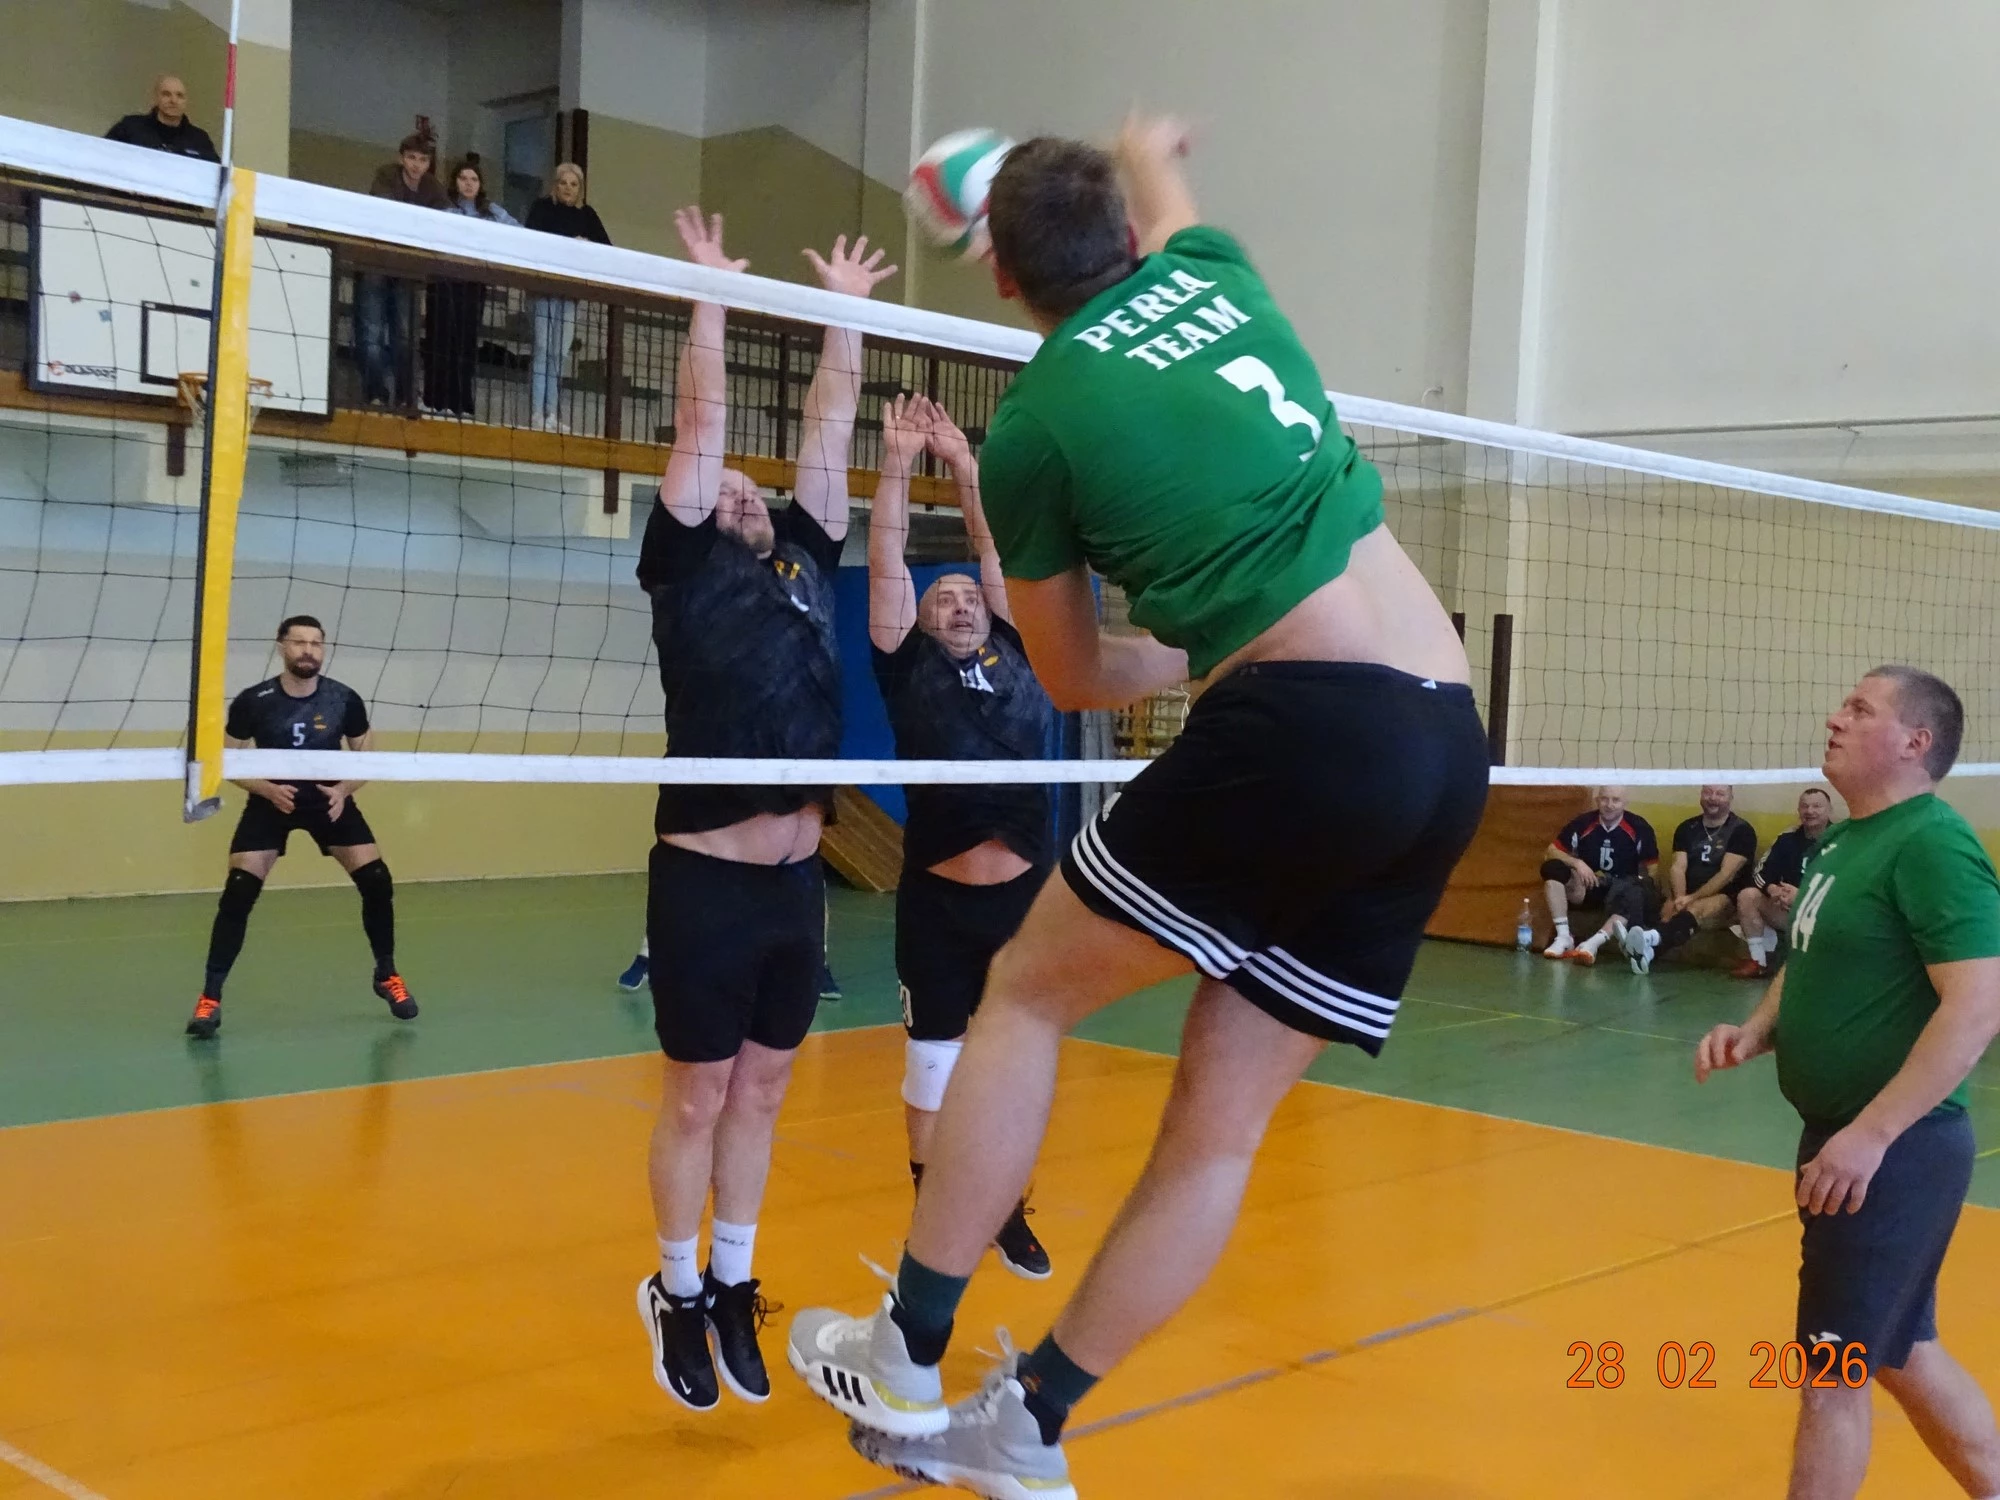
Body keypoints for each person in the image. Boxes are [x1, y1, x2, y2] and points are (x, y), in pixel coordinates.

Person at [787, 117, 1488, 1499]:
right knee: (1217, 1129)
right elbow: (1166, 192)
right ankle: (1029, 1427)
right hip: (1446, 743)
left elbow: (1067, 677)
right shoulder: (1213, 270)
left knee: (1023, 995)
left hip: (1305, 729)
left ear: (999, 275)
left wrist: (1195, 648)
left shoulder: (1035, 428)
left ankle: (906, 1352)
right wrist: (1142, 142)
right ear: (1126, 231)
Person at [633, 207, 895, 1413]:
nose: (741, 490)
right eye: (726, 487)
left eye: (752, 489)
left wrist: (843, 314)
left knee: (765, 1089)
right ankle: (675, 1289)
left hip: (795, 879)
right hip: (705, 878)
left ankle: (735, 1281)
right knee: (696, 1094)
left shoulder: (803, 560)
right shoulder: (682, 565)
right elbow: (703, 423)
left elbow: (828, 429)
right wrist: (712, 293)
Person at [1695, 667, 2000, 1500]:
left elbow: (1979, 1004)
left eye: (1861, 709)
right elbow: (1807, 958)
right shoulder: (1842, 841)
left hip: (1891, 1152)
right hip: (1849, 1143)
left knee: (1832, 1376)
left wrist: (1870, 1134)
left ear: (1915, 742)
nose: (1835, 718)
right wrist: (1757, 1030)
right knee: (1901, 1353)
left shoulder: (1932, 844)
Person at [870, 392, 1056, 1280]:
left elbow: (995, 553)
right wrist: (899, 465)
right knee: (932, 1069)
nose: (957, 603)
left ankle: (1007, 1208)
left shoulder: (1020, 649)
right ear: (920, 618)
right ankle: (933, 1208)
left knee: (1013, 1067)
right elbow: (885, 557)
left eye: (967, 597)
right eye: (940, 598)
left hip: (1025, 900)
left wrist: (967, 469)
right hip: (937, 904)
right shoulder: (904, 666)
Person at [184, 616, 417, 1038]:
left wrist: (344, 789)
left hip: (327, 800)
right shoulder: (254, 700)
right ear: (281, 647)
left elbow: (367, 756)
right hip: (271, 800)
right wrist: (266, 789)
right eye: (299, 642)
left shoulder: (344, 699)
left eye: (316, 643)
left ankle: (386, 974)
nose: (308, 650)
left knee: (377, 880)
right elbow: (225, 760)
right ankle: (210, 999)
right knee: (239, 890)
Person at [1622, 784, 1757, 974]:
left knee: (1696, 909)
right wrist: (1680, 898)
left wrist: (1691, 899)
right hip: (1688, 893)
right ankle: (1648, 953)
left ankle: (1647, 940)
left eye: (1720, 794)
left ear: (1730, 798)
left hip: (1726, 897)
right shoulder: (1687, 827)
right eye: (1708, 792)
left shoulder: (1742, 831)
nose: (1713, 798)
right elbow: (1678, 867)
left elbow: (1726, 875)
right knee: (1669, 910)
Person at [423, 158, 517, 418]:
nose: (468, 183)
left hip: (474, 283)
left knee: (466, 342)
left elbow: (517, 231)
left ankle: (461, 402)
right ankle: (434, 399)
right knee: (440, 339)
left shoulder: (490, 211)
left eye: (474, 179)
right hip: (443, 280)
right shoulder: (443, 206)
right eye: (463, 178)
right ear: (455, 181)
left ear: (480, 184)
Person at [359, 136, 448, 409]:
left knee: (406, 336)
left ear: (429, 164)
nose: (416, 165)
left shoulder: (434, 188)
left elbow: (442, 221)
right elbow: (386, 211)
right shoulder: (385, 175)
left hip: (409, 269)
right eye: (411, 158)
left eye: (423, 160)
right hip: (374, 263)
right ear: (401, 158)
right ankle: (375, 393)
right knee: (371, 334)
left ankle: (405, 396)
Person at [523, 163, 611, 432]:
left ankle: (552, 413)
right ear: (555, 184)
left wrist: (587, 245)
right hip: (542, 288)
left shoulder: (586, 214)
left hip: (570, 294)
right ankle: (536, 413)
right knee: (542, 350)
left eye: (574, 184)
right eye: (563, 183)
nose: (568, 189)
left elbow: (607, 249)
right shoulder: (541, 208)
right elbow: (530, 240)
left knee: (559, 354)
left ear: (580, 188)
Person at [1538, 785, 1660, 964]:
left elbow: (1652, 870)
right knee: (1552, 868)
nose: (1609, 805)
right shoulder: (1583, 822)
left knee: (1636, 891)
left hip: (1622, 890)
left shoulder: (1639, 827)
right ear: (1597, 800)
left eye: (1615, 800)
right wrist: (1577, 863)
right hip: (1590, 885)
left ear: (1625, 803)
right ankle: (1564, 937)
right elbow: (1551, 851)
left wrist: (1643, 888)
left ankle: (1592, 944)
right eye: (1604, 799)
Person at [1733, 786, 1835, 979]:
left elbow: (1847, 886)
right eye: (1804, 806)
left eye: (1816, 806)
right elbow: (1760, 873)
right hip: (1789, 911)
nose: (1810, 811)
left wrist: (1803, 896)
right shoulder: (1787, 839)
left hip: (1826, 914)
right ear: (1798, 810)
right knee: (1748, 896)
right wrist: (1773, 890)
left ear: (1829, 810)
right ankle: (1758, 961)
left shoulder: (1841, 841)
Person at [105, 75, 219, 162]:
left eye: (179, 96)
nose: (173, 101)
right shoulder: (130, 127)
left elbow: (213, 175)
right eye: (166, 94)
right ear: (156, 98)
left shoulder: (200, 140)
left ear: (186, 101)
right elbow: (104, 155)